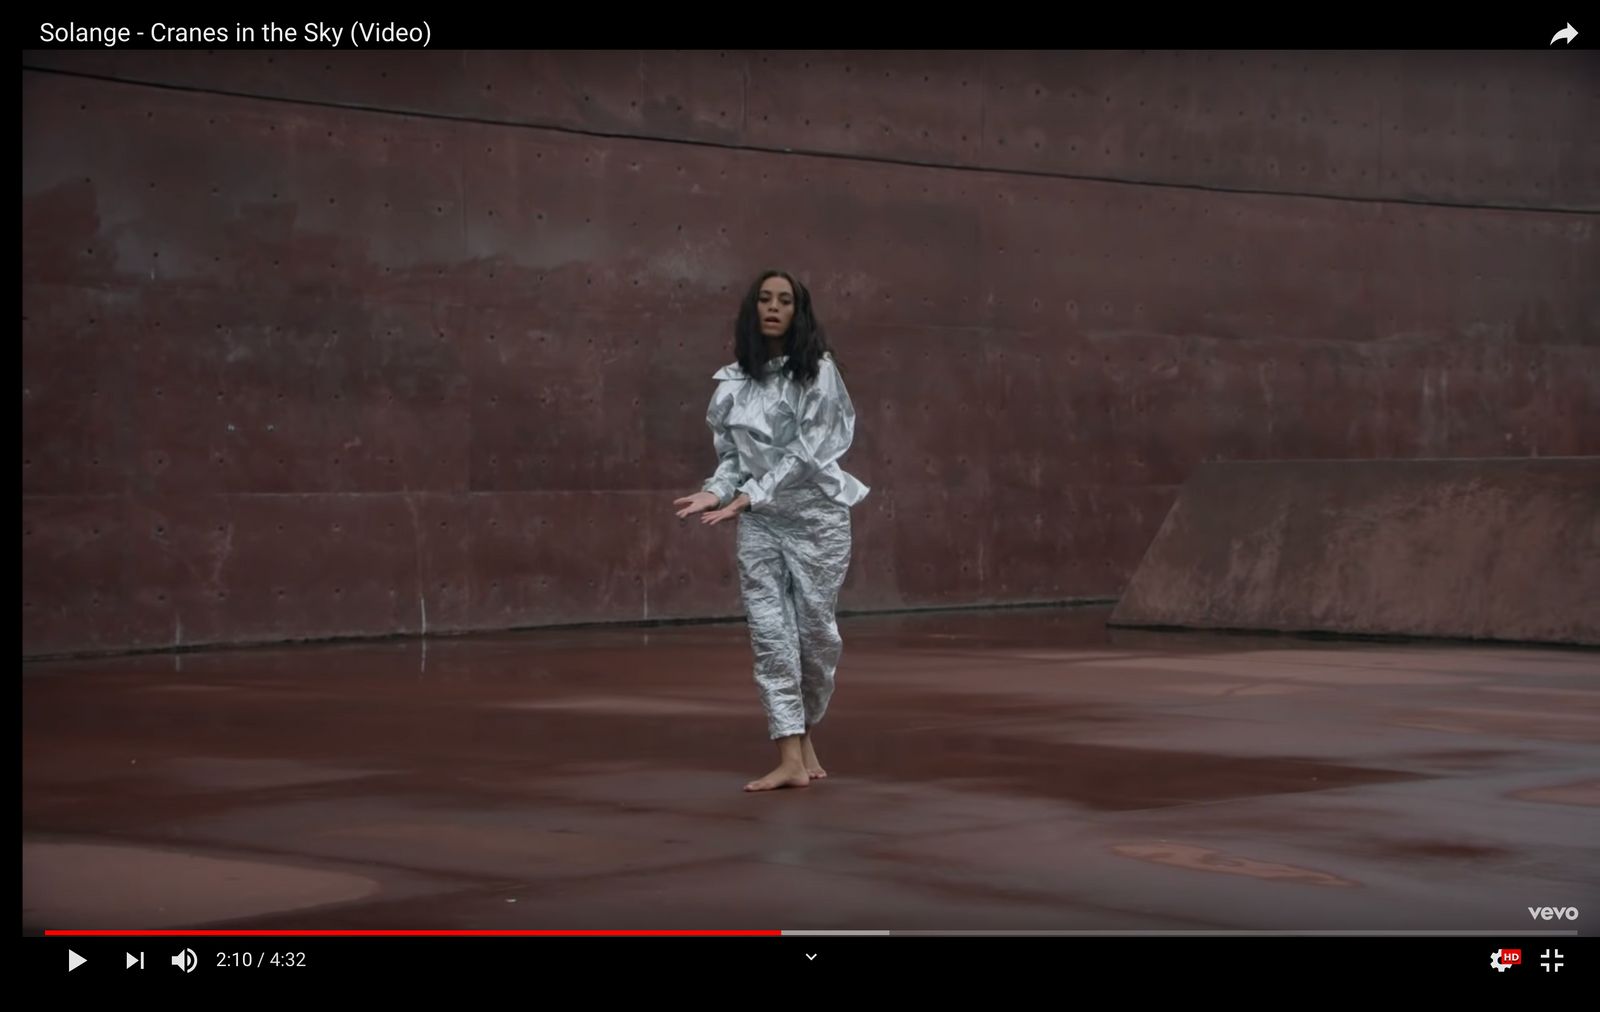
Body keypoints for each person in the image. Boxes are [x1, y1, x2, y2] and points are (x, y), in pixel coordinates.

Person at [674, 269, 870, 792]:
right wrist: (717, 491)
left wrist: (748, 494)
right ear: (753, 309)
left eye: (784, 300)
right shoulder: (734, 382)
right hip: (758, 524)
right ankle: (788, 753)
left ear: (798, 311)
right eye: (765, 298)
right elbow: (732, 458)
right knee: (770, 637)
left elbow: (812, 452)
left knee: (816, 640)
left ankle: (804, 734)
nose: (773, 307)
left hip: (817, 521)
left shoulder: (818, 374)